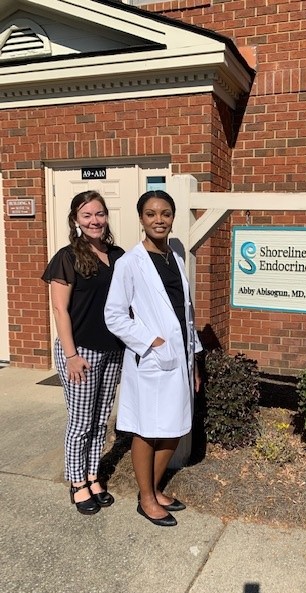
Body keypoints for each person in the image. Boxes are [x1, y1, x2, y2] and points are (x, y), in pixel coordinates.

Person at [104, 190, 202, 527]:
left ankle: (156, 488)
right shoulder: (130, 263)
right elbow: (114, 315)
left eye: (165, 213)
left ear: (173, 218)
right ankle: (146, 497)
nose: (158, 220)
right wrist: (152, 341)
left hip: (180, 358)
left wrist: (195, 359)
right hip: (151, 360)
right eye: (151, 214)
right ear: (141, 219)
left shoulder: (175, 257)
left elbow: (185, 312)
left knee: (174, 428)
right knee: (147, 431)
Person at [42, 191, 125, 515]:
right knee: (80, 422)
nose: (94, 220)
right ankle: (77, 482)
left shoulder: (117, 256)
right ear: (76, 220)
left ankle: (93, 476)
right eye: (87, 215)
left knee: (101, 420)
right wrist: (71, 355)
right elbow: (60, 310)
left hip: (112, 350)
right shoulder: (67, 257)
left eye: (99, 214)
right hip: (80, 352)